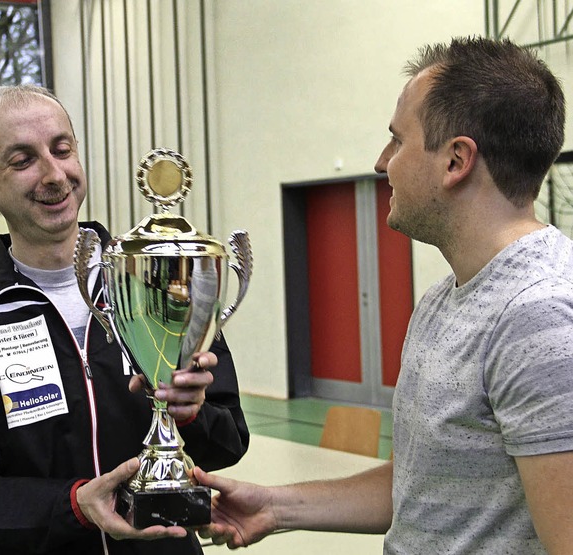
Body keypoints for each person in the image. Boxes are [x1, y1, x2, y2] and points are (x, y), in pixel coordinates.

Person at [192, 36, 573, 554]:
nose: (381, 161)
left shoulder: (539, 316)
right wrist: (275, 505)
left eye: (398, 140)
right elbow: (421, 485)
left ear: (456, 160)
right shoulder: (445, 299)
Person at [0, 84, 249, 555]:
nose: (54, 174)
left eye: (62, 150)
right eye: (23, 161)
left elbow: (229, 443)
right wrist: (73, 505)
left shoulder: (162, 282)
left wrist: (191, 415)